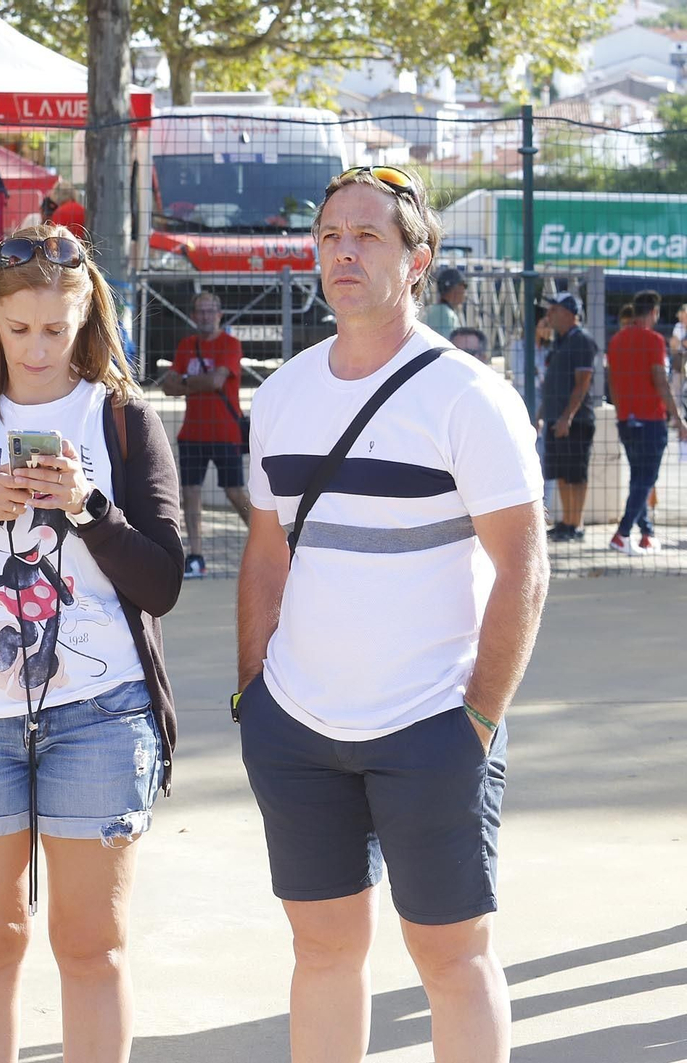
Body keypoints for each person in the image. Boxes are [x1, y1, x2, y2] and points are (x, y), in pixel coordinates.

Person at [236, 165, 548, 1063]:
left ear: (418, 260)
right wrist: (256, 694)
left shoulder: (467, 395)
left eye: (367, 236)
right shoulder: (287, 391)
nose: (343, 251)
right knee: (323, 950)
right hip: (297, 727)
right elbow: (265, 553)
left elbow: (524, 566)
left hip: (431, 725)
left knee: (452, 956)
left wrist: (478, 719)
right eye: (331, 235)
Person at [0, 224, 184, 1062]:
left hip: (100, 712)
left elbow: (163, 582)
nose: (40, 348)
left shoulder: (122, 420)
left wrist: (88, 507)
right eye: (20, 330)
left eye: (58, 328)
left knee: (92, 948)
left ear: (89, 318)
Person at [159, 290, 251, 578]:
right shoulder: (187, 345)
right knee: (191, 494)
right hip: (193, 433)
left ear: (220, 315)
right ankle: (196, 556)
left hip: (225, 432)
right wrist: (192, 383)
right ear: (194, 315)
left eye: (211, 310)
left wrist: (185, 381)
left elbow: (215, 381)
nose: (206, 316)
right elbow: (167, 387)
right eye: (201, 310)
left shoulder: (230, 344)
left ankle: (267, 541)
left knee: (235, 492)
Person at [605, 289, 686, 554]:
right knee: (647, 478)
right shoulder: (653, 340)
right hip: (650, 419)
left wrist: (622, 412)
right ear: (654, 312)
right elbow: (660, 381)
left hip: (626, 420)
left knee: (639, 478)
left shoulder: (616, 340)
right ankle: (624, 532)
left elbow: (613, 383)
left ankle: (646, 532)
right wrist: (678, 417)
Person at [539, 292, 598, 542]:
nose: (549, 314)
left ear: (569, 313)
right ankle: (566, 523)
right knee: (562, 473)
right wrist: (542, 415)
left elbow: (582, 384)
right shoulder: (559, 341)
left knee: (576, 474)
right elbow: (551, 384)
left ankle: (577, 525)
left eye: (554, 309)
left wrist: (567, 417)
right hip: (555, 419)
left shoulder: (582, 341)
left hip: (575, 420)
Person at [423, 265, 466, 335]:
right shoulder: (446, 315)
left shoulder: (430, 310)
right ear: (454, 290)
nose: (464, 293)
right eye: (463, 287)